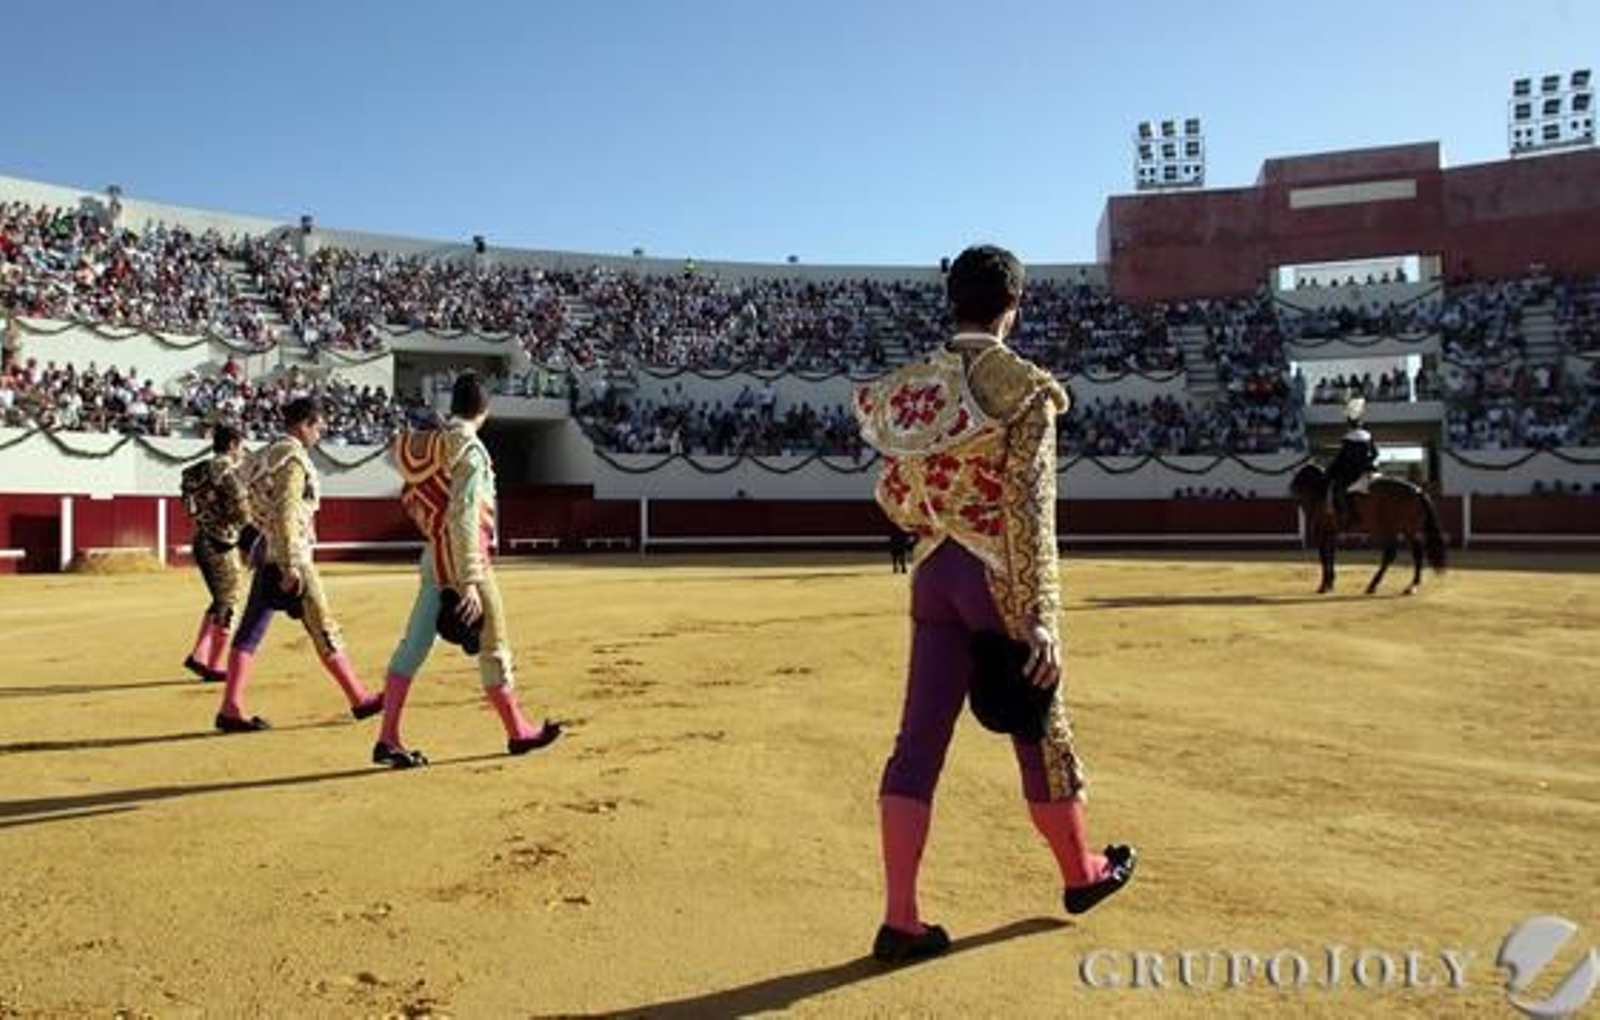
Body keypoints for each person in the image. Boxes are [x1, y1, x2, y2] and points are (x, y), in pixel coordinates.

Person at [853, 245, 1135, 965]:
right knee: (1038, 727)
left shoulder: (912, 387)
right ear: (1015, 304)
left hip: (932, 576)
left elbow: (889, 494)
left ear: (953, 301)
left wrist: (931, 521)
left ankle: (901, 918)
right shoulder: (1025, 388)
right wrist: (1040, 611)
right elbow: (1030, 507)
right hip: (998, 578)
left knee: (916, 744)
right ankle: (1081, 873)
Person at [374, 372, 561, 768]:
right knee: (493, 644)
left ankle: (388, 736)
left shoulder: (432, 442)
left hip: (433, 559)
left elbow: (396, 459)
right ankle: (517, 731)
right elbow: (464, 516)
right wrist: (471, 580)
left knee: (413, 648)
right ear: (485, 410)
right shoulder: (471, 451)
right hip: (463, 563)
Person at [213, 396, 384, 732]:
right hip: (291, 556)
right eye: (318, 426)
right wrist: (290, 564)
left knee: (250, 632)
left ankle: (230, 707)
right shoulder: (292, 459)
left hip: (267, 551)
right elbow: (287, 510)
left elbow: (238, 492)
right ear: (304, 423)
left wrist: (255, 533)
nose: (321, 432)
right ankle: (359, 697)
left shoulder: (262, 454)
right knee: (323, 626)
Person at [178, 423, 254, 683]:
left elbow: (188, 503)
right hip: (221, 543)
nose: (243, 451)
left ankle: (200, 655)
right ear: (232, 445)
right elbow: (243, 510)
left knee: (221, 599)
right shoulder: (227, 471)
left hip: (204, 539)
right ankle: (213, 663)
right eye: (241, 446)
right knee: (230, 601)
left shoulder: (197, 470)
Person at [1326, 396, 1380, 526]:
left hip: (1353, 473)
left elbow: (1342, 457)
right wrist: (1368, 462)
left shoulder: (1348, 437)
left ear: (1350, 424)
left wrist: (1330, 469)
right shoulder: (1368, 435)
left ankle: (1348, 514)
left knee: (1338, 489)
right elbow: (1376, 453)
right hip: (1368, 470)